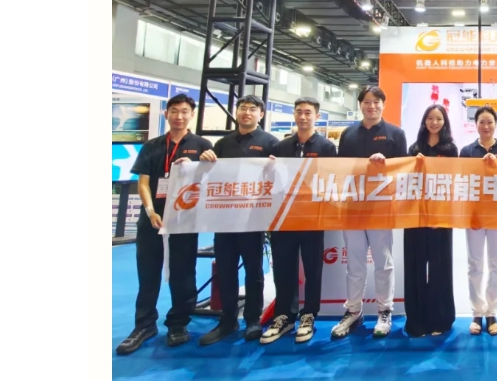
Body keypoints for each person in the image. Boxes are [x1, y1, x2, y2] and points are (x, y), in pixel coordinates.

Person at [117, 94, 214, 355]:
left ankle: (178, 323)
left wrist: (206, 165)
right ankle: (144, 325)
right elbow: (143, 182)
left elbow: (211, 182)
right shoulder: (152, 146)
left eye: (184, 111)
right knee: (148, 273)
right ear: (166, 114)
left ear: (191, 115)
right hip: (153, 219)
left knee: (183, 274)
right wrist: (150, 211)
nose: (179, 116)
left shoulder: (203, 146)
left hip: (185, 220)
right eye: (174, 111)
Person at [189, 94, 281, 346]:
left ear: (261, 114)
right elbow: (209, 177)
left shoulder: (270, 143)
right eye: (243, 108)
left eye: (252, 109)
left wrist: (277, 166)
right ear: (237, 111)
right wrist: (202, 162)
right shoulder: (223, 144)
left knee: (254, 271)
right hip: (225, 218)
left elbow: (279, 180)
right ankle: (228, 319)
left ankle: (252, 319)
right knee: (226, 269)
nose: (247, 112)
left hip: (253, 219)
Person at [333, 85, 409, 339]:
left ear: (383, 105)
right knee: (354, 264)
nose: (371, 106)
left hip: (381, 209)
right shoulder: (348, 134)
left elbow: (403, 170)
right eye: (367, 101)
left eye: (376, 102)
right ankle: (353, 310)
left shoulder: (396, 134)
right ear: (360, 105)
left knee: (383, 263)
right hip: (352, 208)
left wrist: (384, 165)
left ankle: (384, 310)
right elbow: (340, 169)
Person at [261, 97, 338, 345]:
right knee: (283, 268)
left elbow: (333, 180)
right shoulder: (280, 147)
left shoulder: (327, 147)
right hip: (283, 218)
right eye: (299, 112)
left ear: (317, 116)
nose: (303, 117)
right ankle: (284, 315)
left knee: (313, 269)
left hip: (313, 218)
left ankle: (309, 315)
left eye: (308, 112)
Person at [460, 106, 497, 336]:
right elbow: (462, 181)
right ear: (475, 125)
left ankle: (491, 311)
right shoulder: (466, 151)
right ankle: (477, 311)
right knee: (475, 265)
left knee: (495, 265)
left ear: (496, 124)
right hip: (474, 214)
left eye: (490, 122)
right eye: (482, 122)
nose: (486, 126)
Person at [402, 104, 457, 337]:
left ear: (444, 123)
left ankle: (440, 319)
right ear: (424, 121)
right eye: (430, 118)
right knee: (414, 267)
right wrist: (413, 165)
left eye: (439, 119)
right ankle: (416, 321)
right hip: (415, 216)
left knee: (439, 268)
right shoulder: (414, 148)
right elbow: (405, 181)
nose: (434, 123)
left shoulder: (451, 149)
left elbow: (453, 183)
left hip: (440, 218)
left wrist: (442, 214)